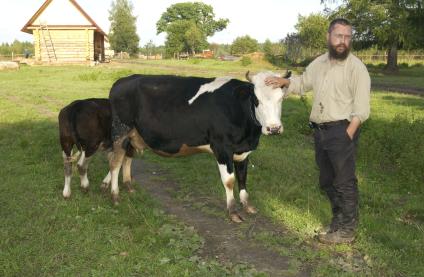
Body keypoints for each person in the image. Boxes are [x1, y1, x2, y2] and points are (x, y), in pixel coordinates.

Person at [265, 18, 370, 244]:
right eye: (339, 36)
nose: (343, 41)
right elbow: (302, 83)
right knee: (327, 181)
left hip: (342, 131)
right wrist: (283, 82)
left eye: (348, 37)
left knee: (344, 182)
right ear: (328, 37)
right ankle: (337, 223)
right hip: (320, 132)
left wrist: (347, 135)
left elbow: (361, 110)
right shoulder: (319, 63)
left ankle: (347, 231)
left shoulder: (357, 68)